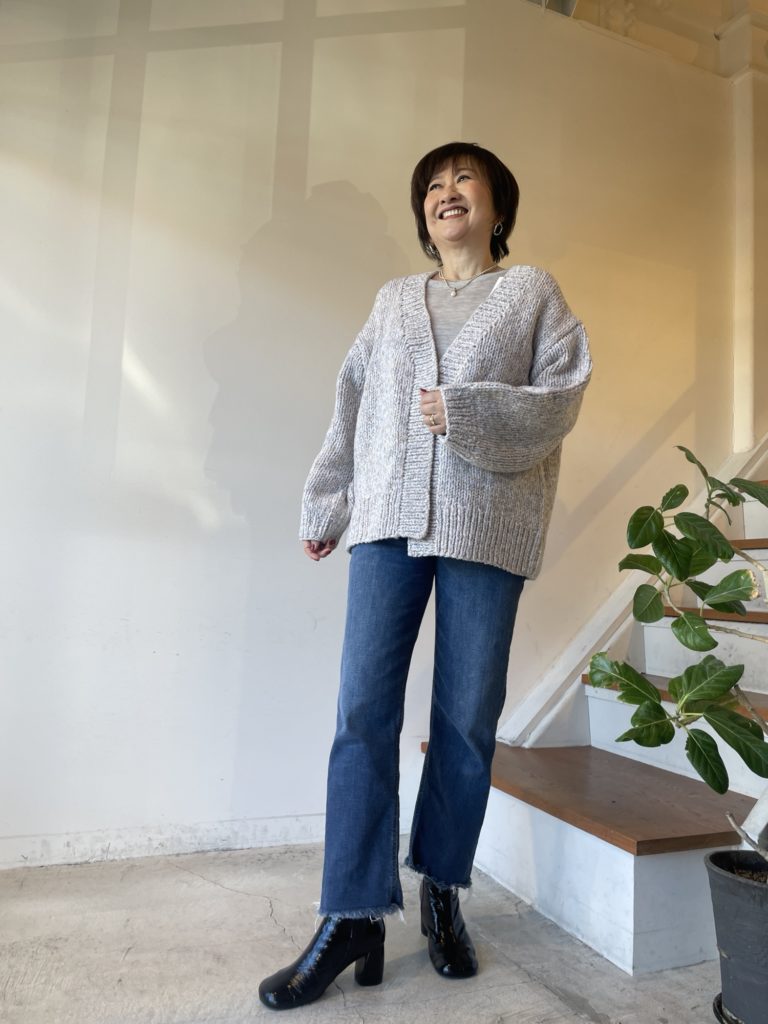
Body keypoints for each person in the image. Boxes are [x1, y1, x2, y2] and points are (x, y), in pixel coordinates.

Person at [258, 142, 592, 1010]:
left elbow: (562, 395)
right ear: (424, 214)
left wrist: (466, 411)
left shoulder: (532, 292)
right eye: (433, 186)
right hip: (385, 522)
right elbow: (353, 398)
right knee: (361, 713)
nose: (447, 193)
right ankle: (352, 915)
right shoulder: (394, 301)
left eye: (463, 179)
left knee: (465, 721)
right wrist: (328, 502)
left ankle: (443, 889)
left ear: (497, 205)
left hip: (489, 523)